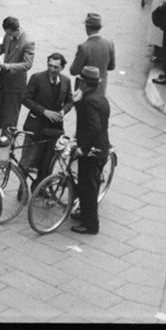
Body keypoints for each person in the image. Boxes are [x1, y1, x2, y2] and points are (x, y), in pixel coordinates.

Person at [67, 65, 110, 236]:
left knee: (88, 187)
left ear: (83, 83)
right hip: (101, 147)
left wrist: (83, 149)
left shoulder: (89, 101)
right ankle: (84, 213)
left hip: (92, 150)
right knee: (88, 183)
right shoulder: (100, 98)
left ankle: (91, 225)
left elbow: (93, 127)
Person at [0, 16, 33, 143]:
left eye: (9, 33)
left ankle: (7, 137)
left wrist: (9, 66)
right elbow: (2, 47)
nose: (8, 35)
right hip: (4, 77)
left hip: (16, 81)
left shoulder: (27, 42)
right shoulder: (8, 36)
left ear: (15, 30)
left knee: (11, 112)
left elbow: (27, 64)